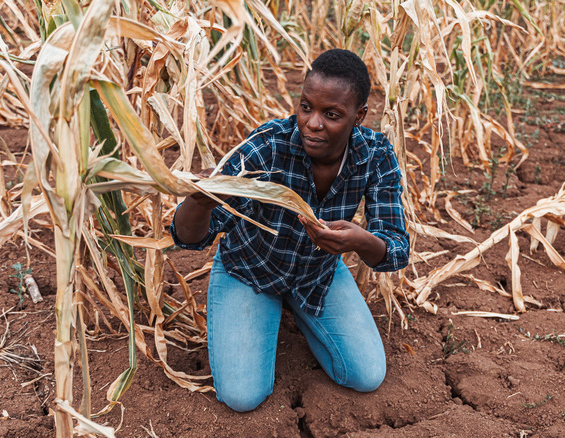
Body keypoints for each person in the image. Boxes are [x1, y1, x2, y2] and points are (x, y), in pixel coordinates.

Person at [170, 49, 409, 412]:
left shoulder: (375, 156)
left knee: (367, 375)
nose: (313, 123)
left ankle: (297, 306)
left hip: (317, 274)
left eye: (332, 115)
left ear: (359, 117)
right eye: (306, 107)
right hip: (249, 271)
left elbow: (395, 248)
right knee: (242, 397)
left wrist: (359, 240)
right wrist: (201, 200)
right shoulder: (267, 148)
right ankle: (265, 304)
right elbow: (189, 237)